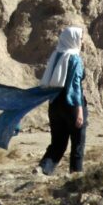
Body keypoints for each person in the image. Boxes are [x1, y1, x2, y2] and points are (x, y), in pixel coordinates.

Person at [37, 26, 87, 175]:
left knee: (58, 143)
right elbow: (75, 85)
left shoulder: (56, 56)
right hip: (71, 104)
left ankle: (43, 169)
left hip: (54, 104)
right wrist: (79, 111)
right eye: (80, 38)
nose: (82, 41)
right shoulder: (74, 58)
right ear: (73, 39)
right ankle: (75, 174)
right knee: (78, 142)